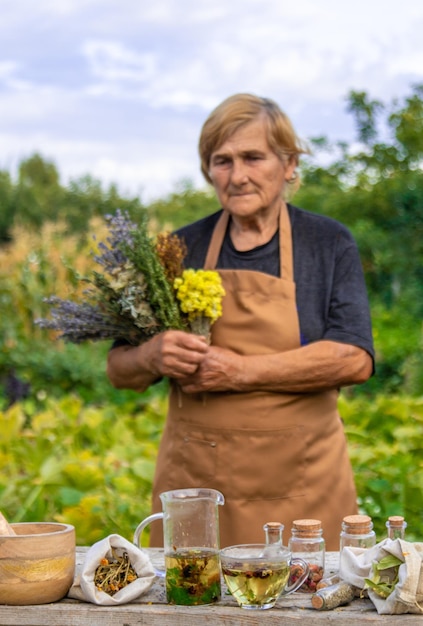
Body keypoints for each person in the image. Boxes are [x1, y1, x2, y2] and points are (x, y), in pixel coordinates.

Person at [107, 93, 374, 550]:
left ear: (289, 164)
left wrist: (239, 371)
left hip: (304, 481)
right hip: (198, 482)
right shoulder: (177, 249)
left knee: (311, 609)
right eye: (222, 161)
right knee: (192, 609)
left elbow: (354, 359)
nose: (238, 175)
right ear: (208, 170)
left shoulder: (326, 243)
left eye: (253, 157)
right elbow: (119, 370)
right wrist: (152, 355)